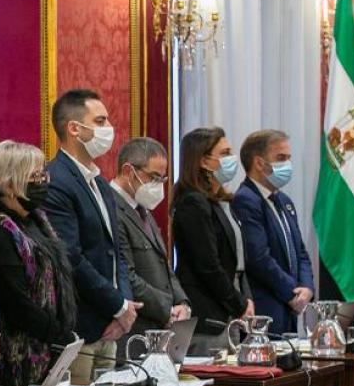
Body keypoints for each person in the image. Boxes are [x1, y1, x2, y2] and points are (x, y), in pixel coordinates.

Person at [44, 89, 139, 383]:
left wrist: (124, 305)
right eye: (100, 120)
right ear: (74, 128)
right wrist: (117, 306)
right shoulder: (56, 180)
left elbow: (116, 251)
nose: (109, 127)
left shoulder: (99, 180)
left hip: (112, 325)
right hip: (81, 326)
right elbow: (71, 256)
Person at [0, 140, 76, 386]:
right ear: (9, 183)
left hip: (49, 347)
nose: (42, 182)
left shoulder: (36, 219)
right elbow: (14, 301)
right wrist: (57, 334)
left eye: (43, 174)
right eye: (34, 176)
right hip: (18, 355)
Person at [172, 126, 254, 353]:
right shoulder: (192, 203)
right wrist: (239, 304)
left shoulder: (221, 202)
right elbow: (208, 266)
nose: (232, 159)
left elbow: (237, 261)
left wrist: (246, 299)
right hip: (209, 314)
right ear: (204, 162)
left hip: (230, 309)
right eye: (225, 153)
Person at [232, 130, 313, 335]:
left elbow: (300, 252)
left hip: (289, 309)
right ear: (259, 163)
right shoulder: (246, 200)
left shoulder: (284, 201)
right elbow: (258, 257)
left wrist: (306, 287)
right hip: (266, 310)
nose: (287, 164)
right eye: (280, 158)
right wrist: (291, 293)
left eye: (288, 158)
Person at [110, 137, 191, 337]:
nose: (159, 186)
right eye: (153, 177)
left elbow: (164, 265)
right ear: (129, 171)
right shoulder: (112, 208)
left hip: (159, 328)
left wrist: (181, 302)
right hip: (133, 330)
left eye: (162, 179)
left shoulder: (143, 209)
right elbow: (126, 275)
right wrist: (167, 309)